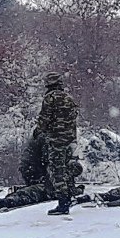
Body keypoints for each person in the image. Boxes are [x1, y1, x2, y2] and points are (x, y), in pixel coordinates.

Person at [0, 161, 86, 215]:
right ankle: (0, 203)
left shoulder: (56, 171)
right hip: (41, 192)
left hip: (36, 187)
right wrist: (80, 189)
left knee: (16, 196)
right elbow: (68, 191)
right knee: (18, 200)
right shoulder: (65, 178)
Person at [34, 72, 79, 215]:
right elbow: (74, 117)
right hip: (69, 139)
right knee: (66, 167)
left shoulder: (50, 98)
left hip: (56, 139)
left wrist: (38, 130)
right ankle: (69, 193)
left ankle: (63, 203)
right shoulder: (68, 98)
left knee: (56, 169)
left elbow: (44, 118)